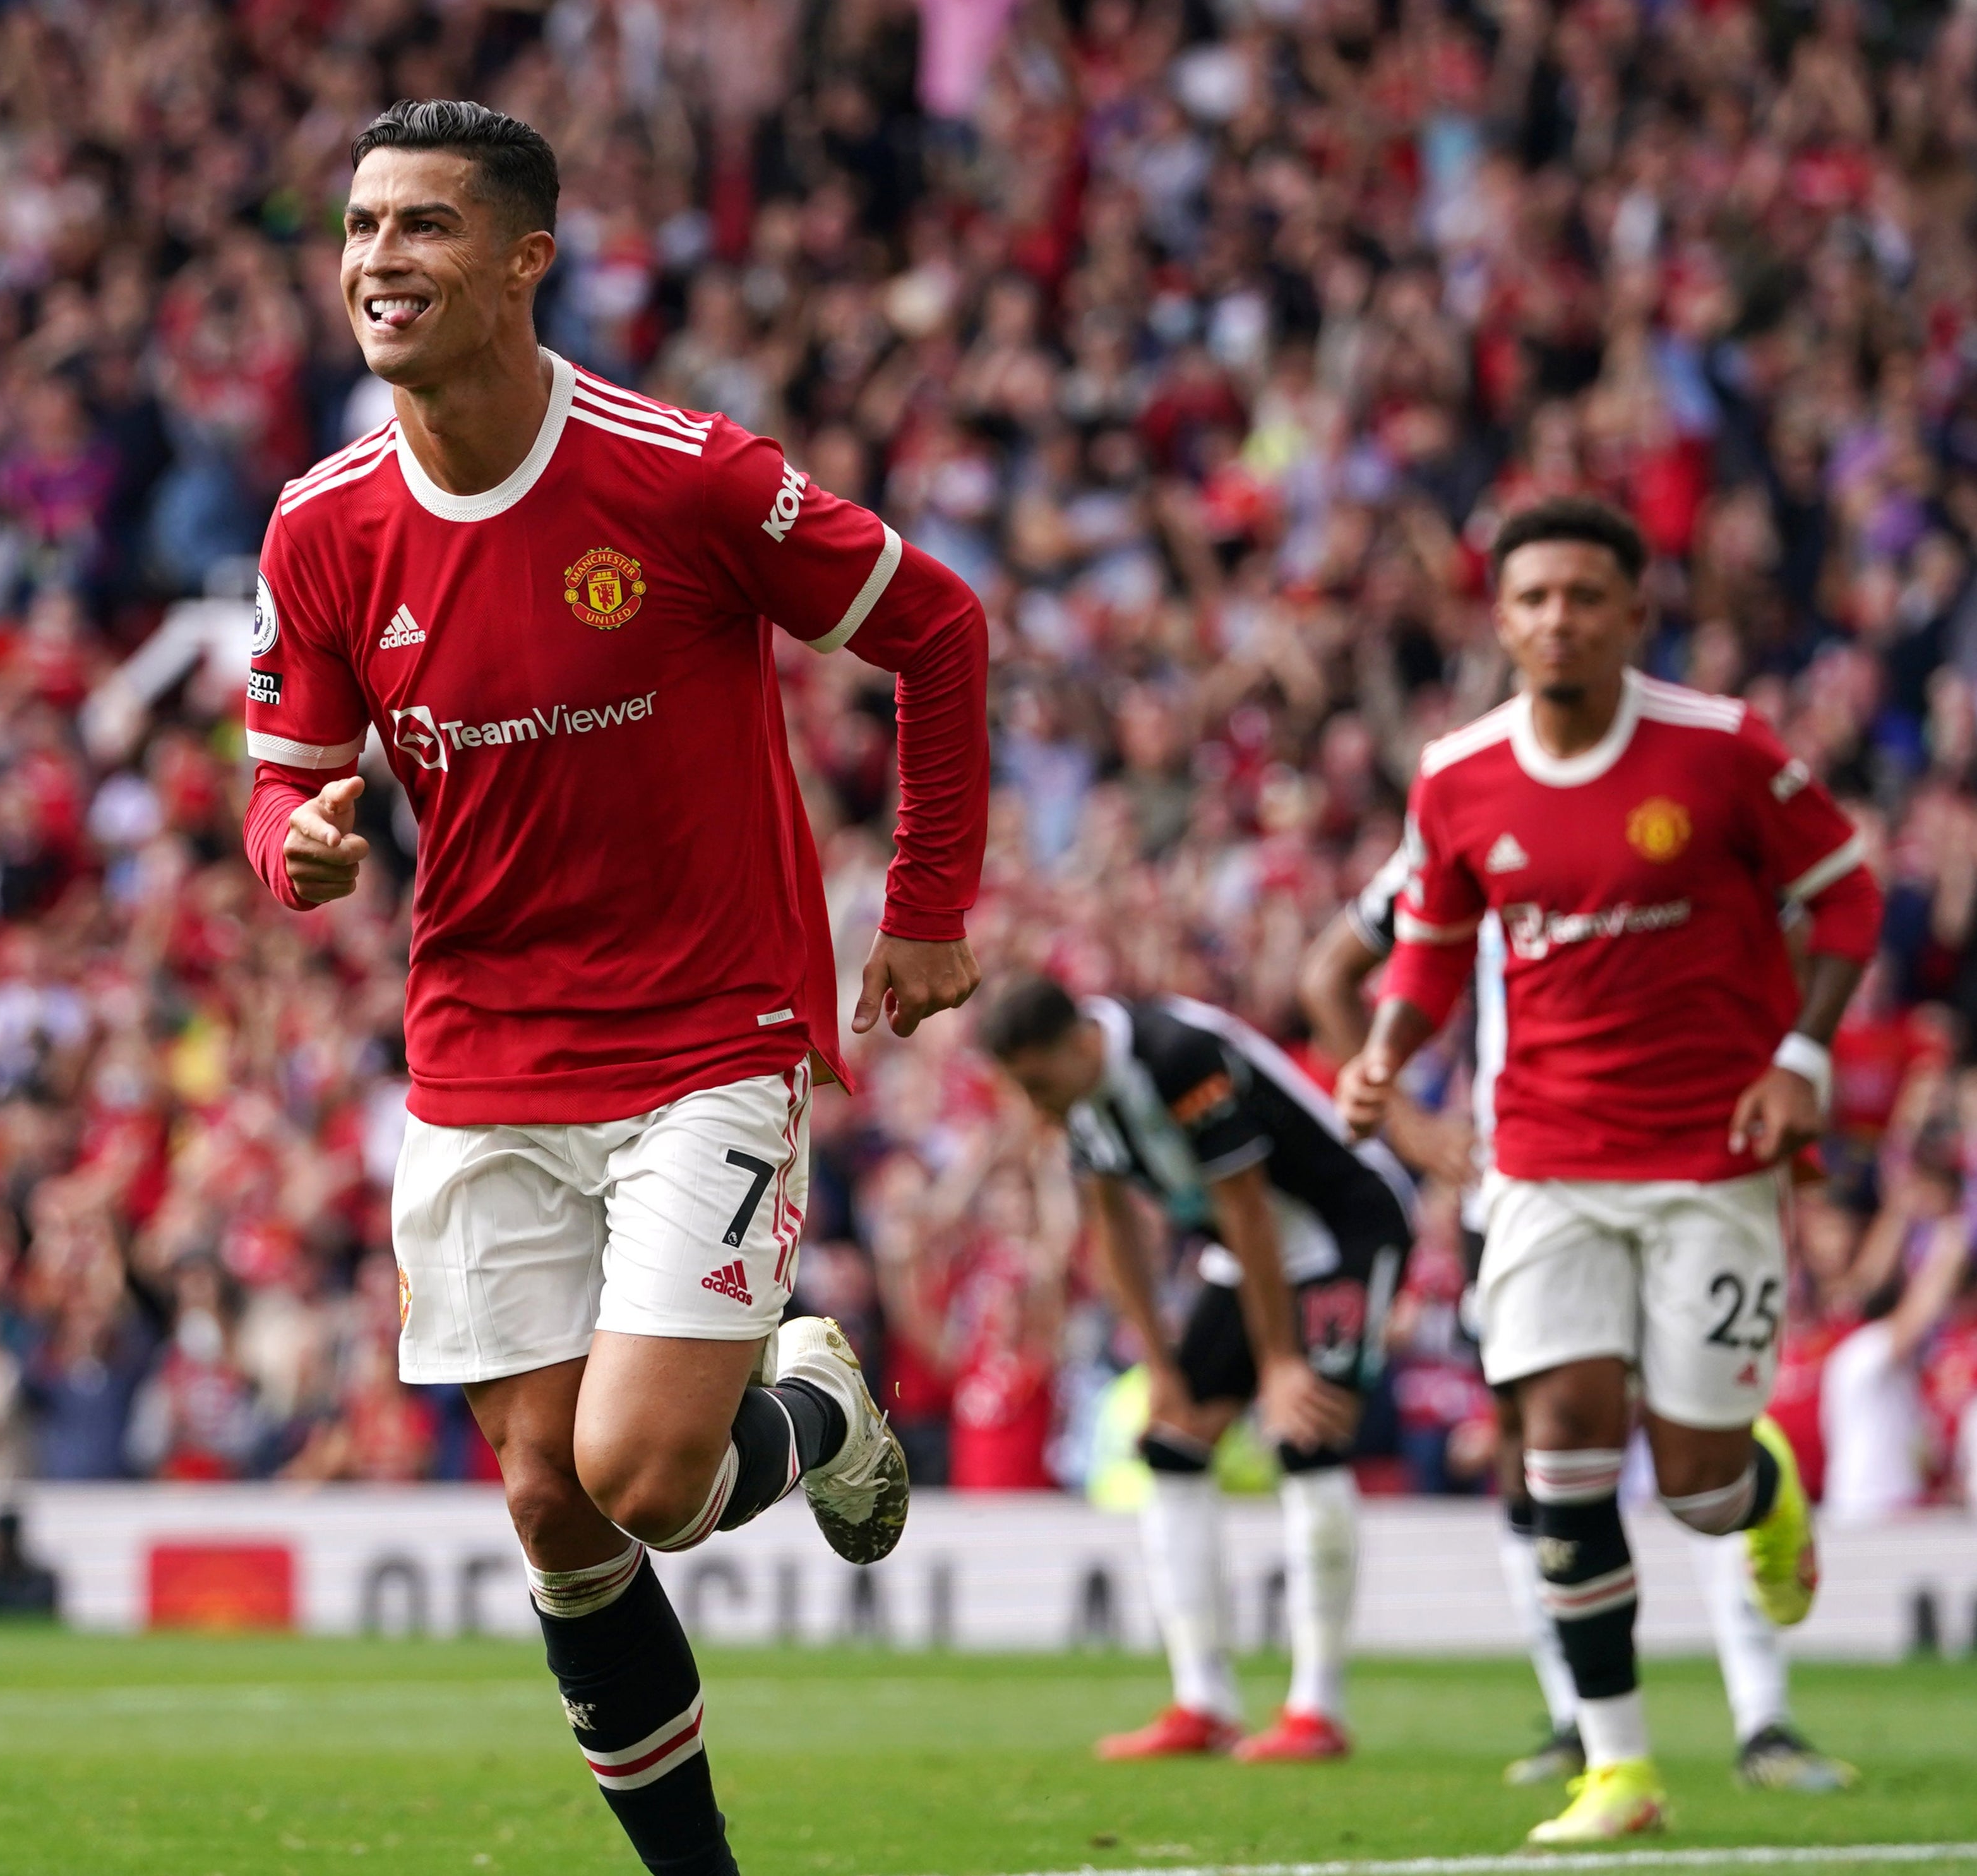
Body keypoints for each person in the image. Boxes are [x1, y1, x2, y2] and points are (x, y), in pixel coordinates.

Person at [239, 102, 987, 1876]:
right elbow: (277, 784)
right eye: (358, 226)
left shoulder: (682, 474)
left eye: (422, 227)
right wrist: (301, 849)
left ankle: (813, 1403)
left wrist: (929, 899)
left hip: (703, 1032)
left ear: (522, 259)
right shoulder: (322, 527)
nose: (376, 260)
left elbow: (935, 627)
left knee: (651, 1474)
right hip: (481, 1050)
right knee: (548, 1503)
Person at [1335, 496, 1882, 1844]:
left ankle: (1754, 1489)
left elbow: (1849, 891)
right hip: (1539, 1159)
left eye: (1584, 595)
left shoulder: (1717, 748)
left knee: (1692, 1484)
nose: (1555, 619)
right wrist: (1383, 1052)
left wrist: (1800, 1058)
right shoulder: (1455, 772)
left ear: (1633, 613)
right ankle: (1615, 1768)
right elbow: (1425, 942)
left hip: (1710, 1153)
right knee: (1560, 1443)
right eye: (1530, 598)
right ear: (1497, 617)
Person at [1301, 839, 1859, 1794]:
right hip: (1516, 1190)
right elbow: (1327, 974)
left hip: (1676, 1168)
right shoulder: (1465, 813)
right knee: (1536, 1441)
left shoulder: (1676, 801)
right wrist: (1406, 1124)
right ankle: (1579, 1713)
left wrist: (1785, 1060)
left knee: (1695, 1446)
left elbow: (1813, 916)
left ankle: (1761, 1714)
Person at [981, 974, 1414, 1764]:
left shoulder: (1176, 1055)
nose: (1034, 1107)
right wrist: (1160, 1369)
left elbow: (1246, 1201)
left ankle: (1317, 1706)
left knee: (1305, 1435)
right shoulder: (1079, 1097)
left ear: (1080, 1045)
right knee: (1172, 1443)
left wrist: (1280, 1361)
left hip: (1339, 1228)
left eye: (1036, 1084)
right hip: (1244, 1249)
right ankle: (1202, 1699)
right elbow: (1115, 1224)